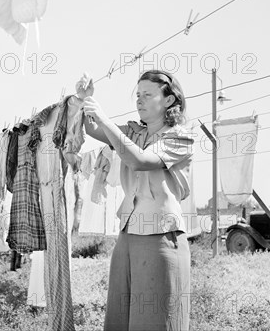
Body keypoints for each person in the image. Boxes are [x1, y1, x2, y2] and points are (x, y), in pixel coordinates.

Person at [82, 69, 194, 331]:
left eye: (148, 94)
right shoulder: (133, 132)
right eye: (138, 94)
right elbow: (92, 129)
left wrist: (103, 117)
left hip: (160, 235)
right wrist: (84, 100)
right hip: (128, 235)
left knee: (154, 321)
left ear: (168, 100)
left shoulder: (180, 137)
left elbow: (140, 160)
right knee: (120, 320)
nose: (139, 100)